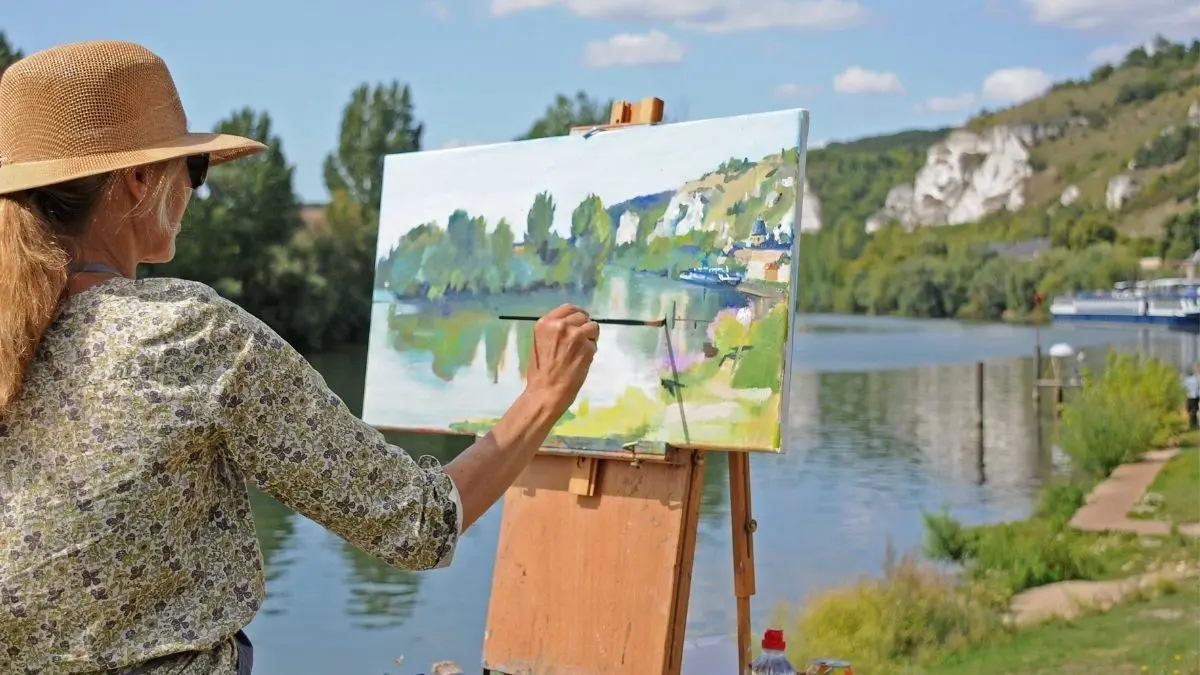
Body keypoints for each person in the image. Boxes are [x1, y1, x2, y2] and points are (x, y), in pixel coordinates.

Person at [0, 41, 599, 675]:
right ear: (139, 179)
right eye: (194, 168)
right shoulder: (186, 337)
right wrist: (543, 396)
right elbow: (420, 523)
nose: (195, 191)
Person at [1185, 363, 1199, 430]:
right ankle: (1194, 423)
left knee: (1190, 410)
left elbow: (1184, 388)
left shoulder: (1186, 380)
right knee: (1194, 410)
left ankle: (1192, 423)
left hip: (1189, 396)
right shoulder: (1196, 379)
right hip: (1194, 396)